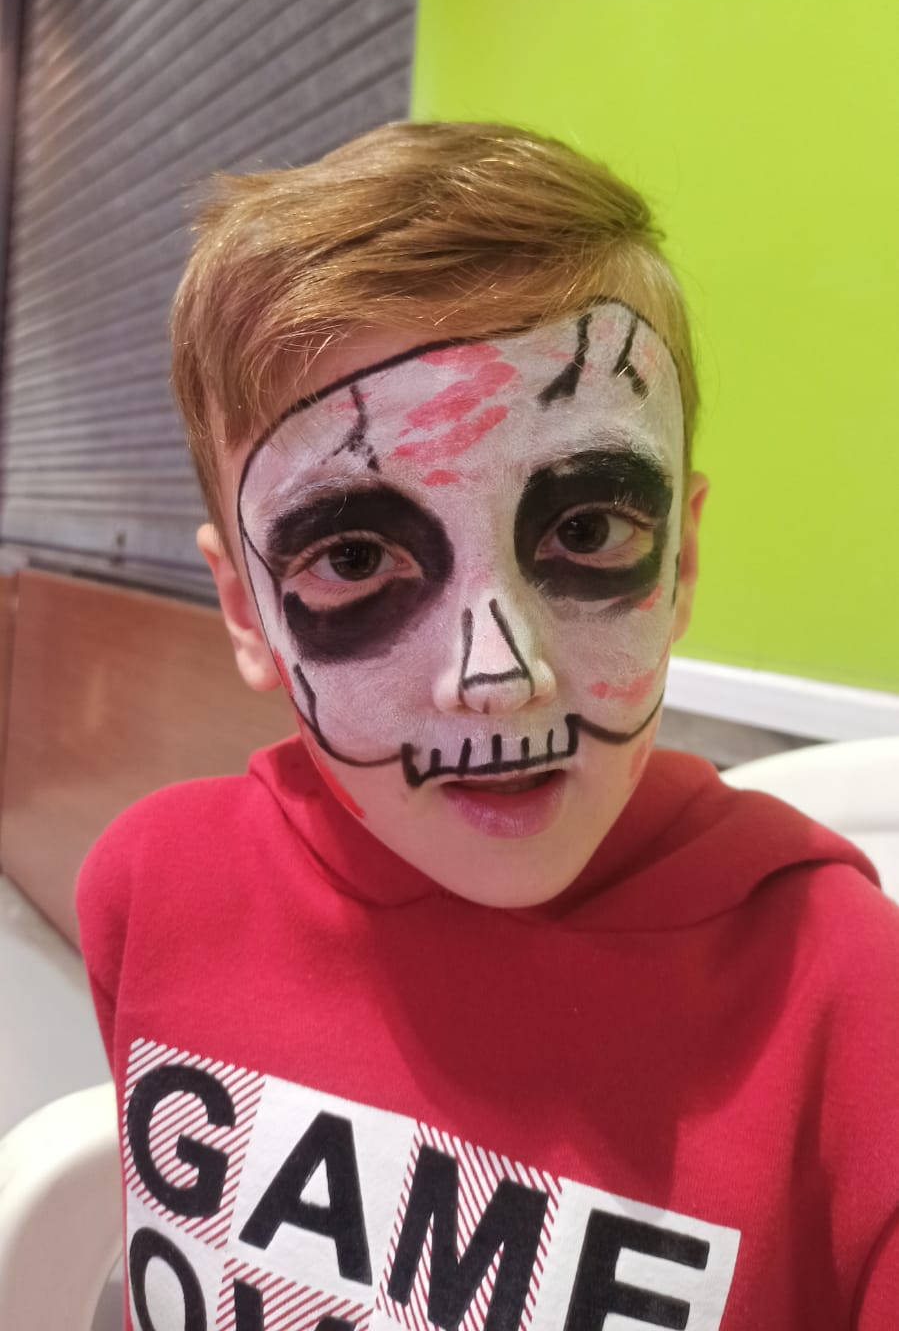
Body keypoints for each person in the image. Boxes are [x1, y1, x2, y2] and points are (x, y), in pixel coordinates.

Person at [77, 122, 899, 1331]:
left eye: (585, 530)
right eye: (353, 555)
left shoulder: (846, 998)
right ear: (246, 610)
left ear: (678, 564)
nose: (497, 678)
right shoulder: (151, 890)